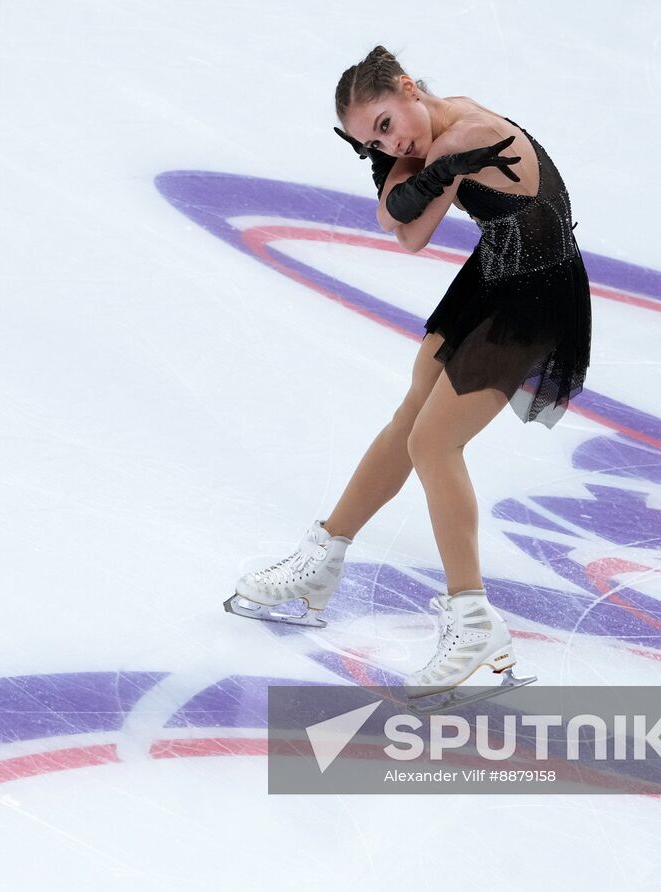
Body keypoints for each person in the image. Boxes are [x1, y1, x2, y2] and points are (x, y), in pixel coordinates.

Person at [223, 46, 591, 705]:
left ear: (407, 86)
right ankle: (323, 557)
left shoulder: (473, 134)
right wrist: (399, 169)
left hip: (534, 292)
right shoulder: (437, 136)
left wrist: (408, 173)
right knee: (413, 412)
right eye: (373, 140)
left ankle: (474, 622)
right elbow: (406, 231)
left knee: (434, 443)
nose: (389, 142)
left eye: (387, 123)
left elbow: (403, 214)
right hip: (494, 275)